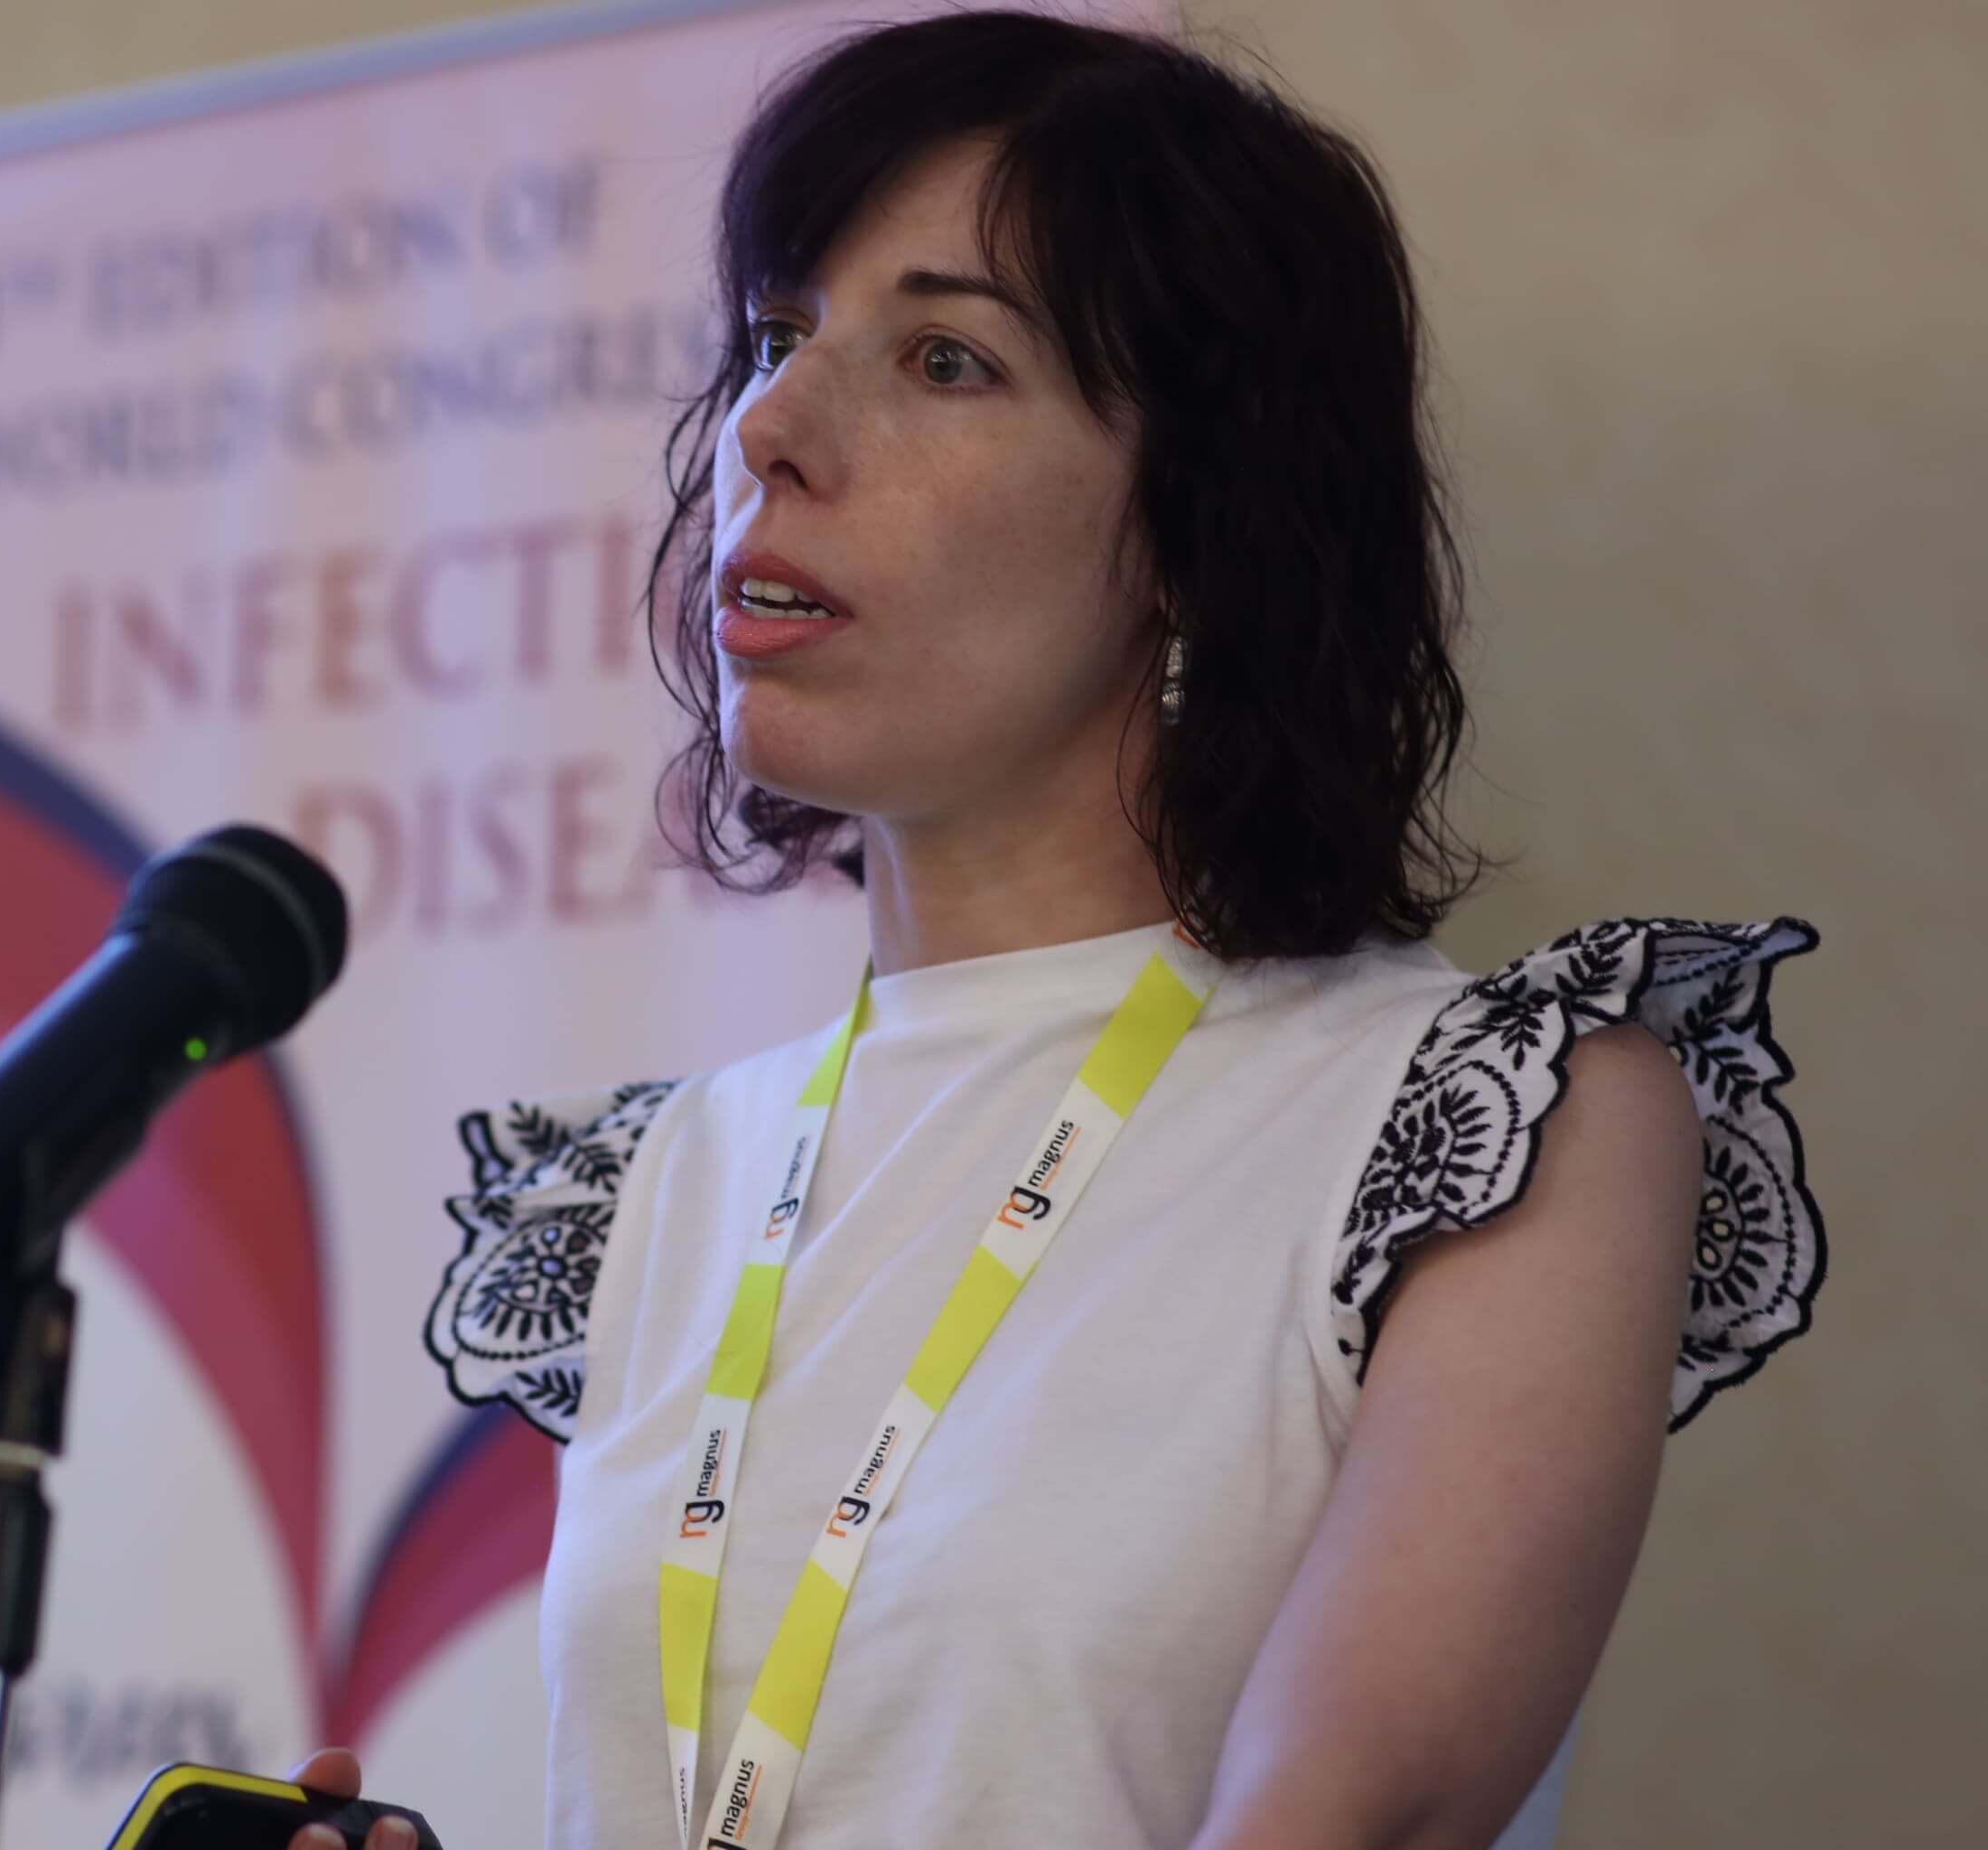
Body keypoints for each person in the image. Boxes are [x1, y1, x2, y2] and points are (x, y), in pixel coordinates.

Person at [285, 11, 1825, 1850]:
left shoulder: (1494, 1119)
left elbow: (1348, 1814)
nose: (770, 428)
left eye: (945, 359)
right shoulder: (664, 1179)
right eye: (778, 336)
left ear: (1198, 522)